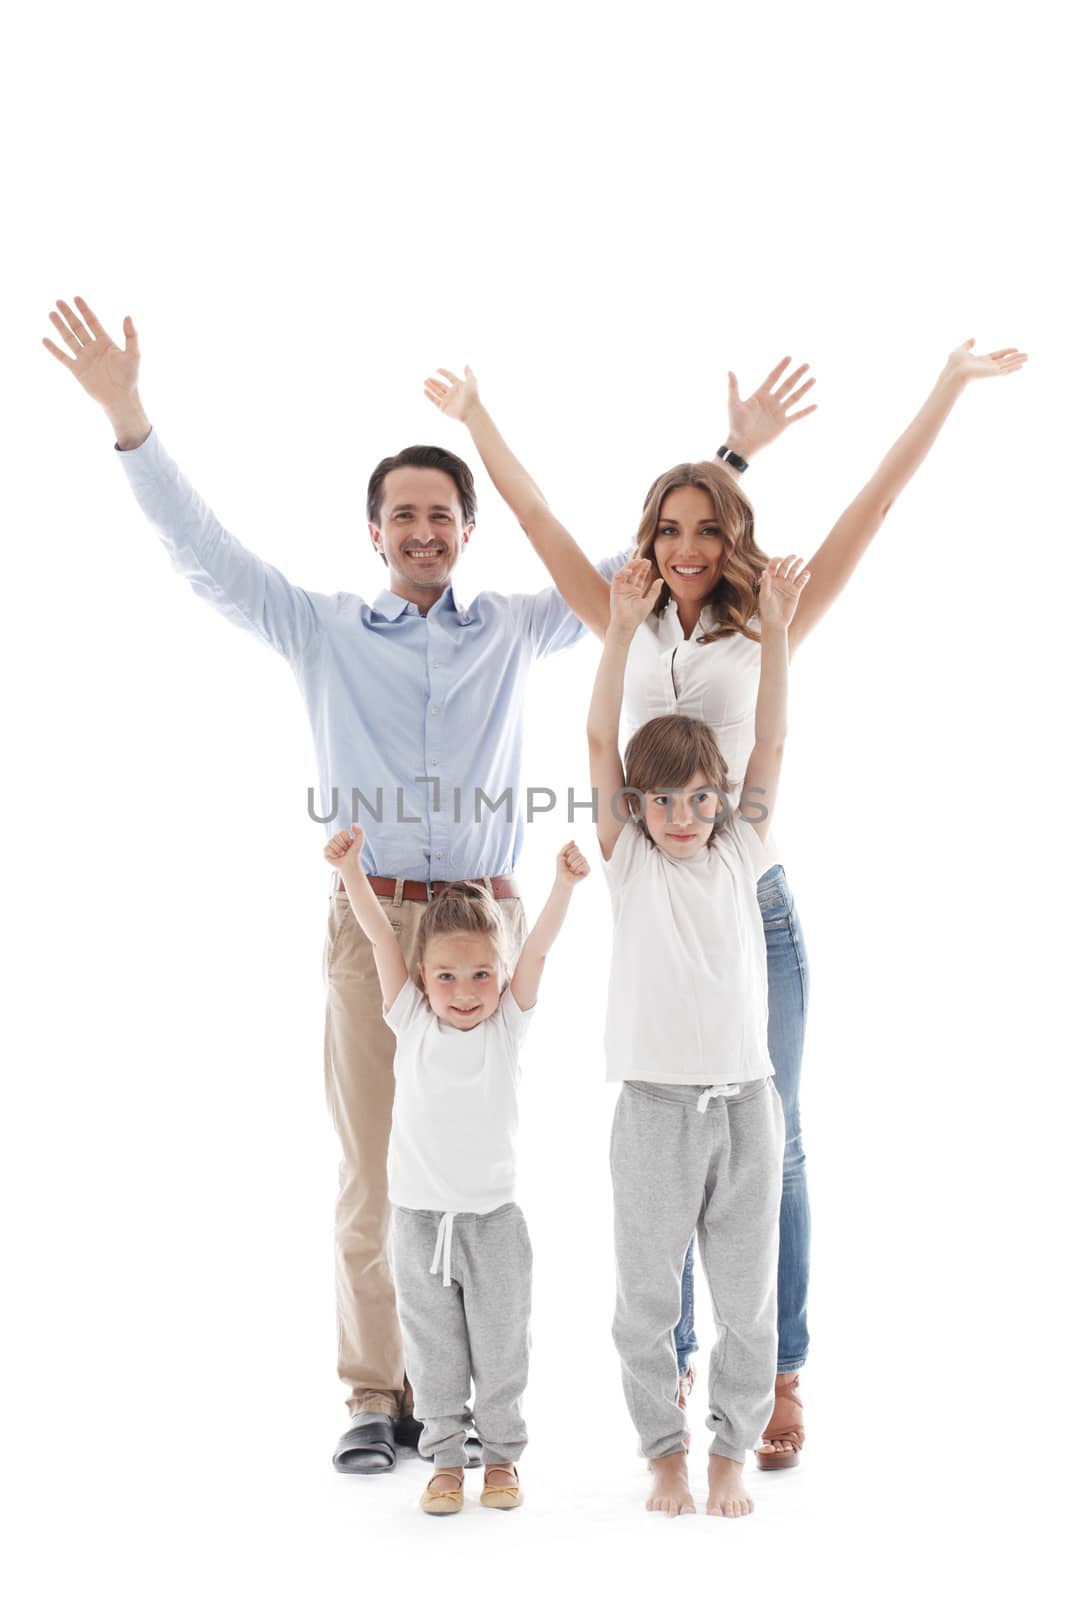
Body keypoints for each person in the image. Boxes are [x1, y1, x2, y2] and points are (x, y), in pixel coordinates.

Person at [40, 295, 634, 1474]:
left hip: (489, 920)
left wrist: (729, 460)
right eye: (402, 514)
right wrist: (127, 414)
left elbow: (631, 569)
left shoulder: (516, 628)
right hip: (374, 926)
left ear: (467, 530)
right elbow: (202, 552)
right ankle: (378, 1393)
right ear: (373, 531)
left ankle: (463, 1395)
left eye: (441, 514)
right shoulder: (319, 629)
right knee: (373, 1166)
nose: (422, 529)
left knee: (478, 1166)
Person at [426, 337, 1028, 1466]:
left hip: (757, 912)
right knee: (664, 1155)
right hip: (655, 913)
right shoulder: (620, 614)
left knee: (771, 1146)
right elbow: (538, 509)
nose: (688, 547)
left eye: (709, 528)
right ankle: (681, 1374)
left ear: (734, 535)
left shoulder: (767, 627)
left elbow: (877, 502)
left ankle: (779, 1371)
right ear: (648, 540)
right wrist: (474, 413)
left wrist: (943, 386)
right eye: (669, 529)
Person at [589, 555, 808, 1517]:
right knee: (646, 1299)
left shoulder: (741, 851)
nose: (683, 817)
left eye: (698, 799)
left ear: (721, 801)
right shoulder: (630, 858)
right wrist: (616, 628)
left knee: (745, 1297)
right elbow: (600, 734)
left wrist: (778, 629)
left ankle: (729, 1446)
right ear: (638, 807)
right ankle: (660, 1453)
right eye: (664, 801)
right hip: (654, 1109)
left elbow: (770, 737)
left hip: (744, 1106)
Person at [324, 824, 589, 1514]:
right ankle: (443, 1460)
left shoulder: (506, 1027)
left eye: (479, 976)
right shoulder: (410, 1020)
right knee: (434, 1353)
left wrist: (561, 886)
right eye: (446, 976)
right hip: (418, 1225)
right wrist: (353, 872)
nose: (464, 991)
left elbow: (534, 948)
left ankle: (501, 1458)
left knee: (501, 1352)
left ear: (499, 978)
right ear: (421, 979)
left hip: (493, 1224)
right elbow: (382, 937)